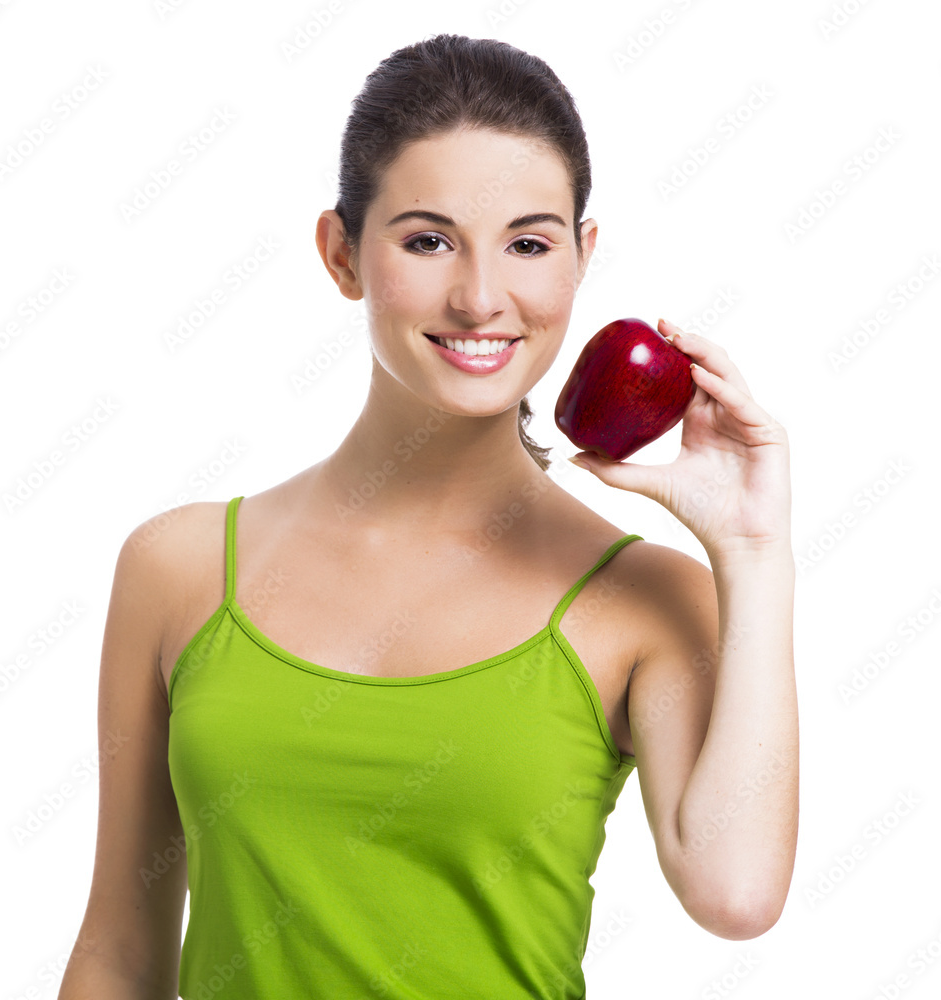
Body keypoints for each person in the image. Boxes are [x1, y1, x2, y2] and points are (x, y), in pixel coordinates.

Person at [58, 33, 798, 1000]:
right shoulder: (177, 567)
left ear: (581, 258)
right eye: (427, 239)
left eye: (528, 244)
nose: (481, 297)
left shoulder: (647, 601)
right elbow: (120, 949)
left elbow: (735, 893)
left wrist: (754, 550)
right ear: (342, 254)